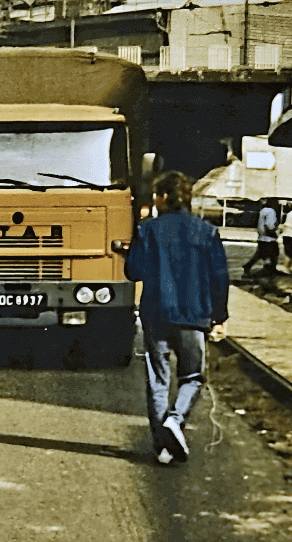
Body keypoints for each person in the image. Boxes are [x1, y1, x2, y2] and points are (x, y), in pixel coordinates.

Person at [125, 171, 230, 466]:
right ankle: (176, 419)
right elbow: (219, 278)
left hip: (156, 315)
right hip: (194, 315)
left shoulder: (148, 230)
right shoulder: (206, 231)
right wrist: (219, 317)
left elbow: (133, 271)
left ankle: (163, 448)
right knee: (193, 377)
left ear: (162, 198)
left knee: (158, 379)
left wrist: (131, 249)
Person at [240, 198, 278, 278]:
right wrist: (274, 232)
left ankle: (250, 266)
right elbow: (269, 225)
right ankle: (270, 270)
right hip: (268, 238)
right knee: (273, 253)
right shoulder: (271, 211)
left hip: (262, 237)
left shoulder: (263, 210)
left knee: (260, 254)